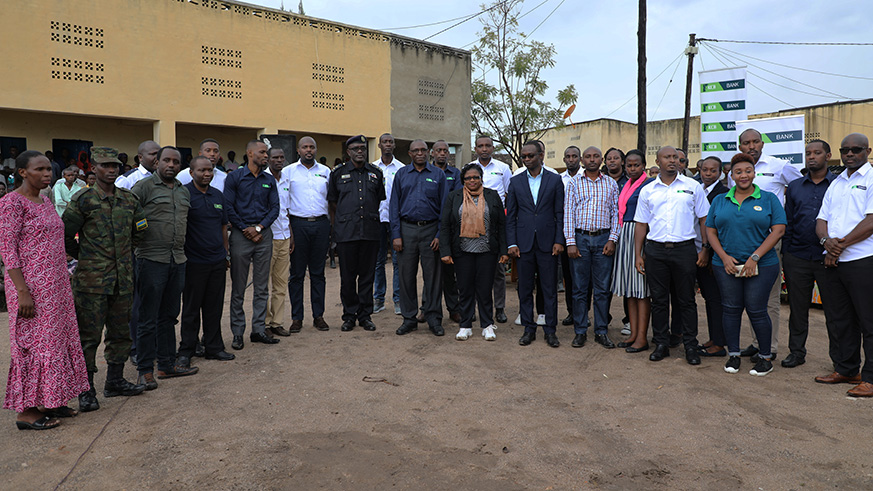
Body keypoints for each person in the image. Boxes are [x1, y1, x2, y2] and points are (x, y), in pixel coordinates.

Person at [2, 150, 89, 429]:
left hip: (56, 286)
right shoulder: (11, 203)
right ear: (23, 172)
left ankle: (52, 399)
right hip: (30, 287)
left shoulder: (45, 200)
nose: (47, 174)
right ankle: (26, 412)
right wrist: (22, 291)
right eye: (39, 169)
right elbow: (8, 250)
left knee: (55, 342)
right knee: (32, 345)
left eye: (48, 169)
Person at [63, 146, 148, 412]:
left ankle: (115, 381)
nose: (111, 170)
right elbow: (65, 235)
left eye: (115, 166)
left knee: (121, 333)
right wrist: (87, 256)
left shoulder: (129, 199)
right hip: (91, 281)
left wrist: (123, 254)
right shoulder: (83, 199)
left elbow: (141, 230)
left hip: (123, 278)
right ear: (94, 169)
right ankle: (85, 390)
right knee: (88, 337)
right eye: (105, 166)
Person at [707, 152, 787, 376]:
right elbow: (710, 231)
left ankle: (765, 358)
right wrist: (723, 257)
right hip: (726, 264)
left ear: (754, 173)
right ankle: (733, 355)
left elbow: (779, 230)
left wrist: (755, 257)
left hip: (763, 264)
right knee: (731, 309)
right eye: (738, 172)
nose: (744, 175)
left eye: (748, 171)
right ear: (731, 175)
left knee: (757, 309)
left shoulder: (768, 198)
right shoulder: (720, 200)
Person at [634, 146, 710, 365]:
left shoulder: (693, 187)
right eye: (667, 157)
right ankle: (661, 344)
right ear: (657, 161)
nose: (672, 161)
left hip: (684, 250)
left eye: (675, 157)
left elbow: (704, 219)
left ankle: (690, 346)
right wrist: (638, 254)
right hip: (655, 250)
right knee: (658, 300)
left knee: (686, 300)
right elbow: (641, 223)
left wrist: (704, 248)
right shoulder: (648, 190)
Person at [731, 128, 803, 360]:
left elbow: (800, 190)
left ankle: (769, 347)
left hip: (770, 242)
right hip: (742, 242)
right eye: (746, 143)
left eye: (755, 142)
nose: (751, 146)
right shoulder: (737, 170)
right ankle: (756, 341)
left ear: (762, 143)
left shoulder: (779, 166)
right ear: (740, 146)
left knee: (769, 297)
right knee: (752, 297)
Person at [131, 146, 198, 390]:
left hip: (177, 260)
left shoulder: (183, 191)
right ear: (157, 162)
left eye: (176, 161)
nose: (171, 165)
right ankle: (145, 370)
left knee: (169, 316)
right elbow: (130, 218)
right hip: (151, 260)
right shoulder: (144, 187)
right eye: (166, 160)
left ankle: (167, 365)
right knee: (148, 317)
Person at [814, 133, 873, 397]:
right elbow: (821, 219)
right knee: (840, 320)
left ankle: (871, 378)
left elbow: (871, 220)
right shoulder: (836, 182)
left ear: (867, 151)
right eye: (845, 150)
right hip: (834, 260)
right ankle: (847, 369)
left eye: (856, 149)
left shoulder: (871, 179)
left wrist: (840, 245)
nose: (849, 154)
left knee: (869, 321)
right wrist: (827, 242)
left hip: (862, 260)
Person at [781, 140, 834, 368]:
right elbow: (789, 221)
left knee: (834, 311)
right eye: (808, 153)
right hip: (798, 256)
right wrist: (788, 253)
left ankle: (840, 360)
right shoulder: (794, 186)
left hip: (829, 257)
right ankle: (796, 352)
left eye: (817, 153)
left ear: (828, 156)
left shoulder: (838, 184)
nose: (812, 157)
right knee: (798, 309)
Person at [440, 163, 508, 341]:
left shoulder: (492, 196)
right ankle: (465, 325)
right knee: (465, 288)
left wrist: (503, 250)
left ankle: (487, 325)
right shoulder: (454, 197)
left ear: (481, 179)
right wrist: (445, 251)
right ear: (463, 180)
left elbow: (501, 225)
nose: (472, 180)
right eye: (468, 178)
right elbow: (446, 226)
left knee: (485, 289)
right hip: (462, 251)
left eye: (475, 177)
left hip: (487, 250)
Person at [507, 141, 564, 347]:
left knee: (549, 289)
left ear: (541, 155)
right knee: (524, 289)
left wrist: (559, 240)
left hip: (549, 244)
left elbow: (560, 213)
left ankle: (550, 331)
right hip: (523, 245)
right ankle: (528, 329)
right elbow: (511, 216)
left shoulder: (555, 180)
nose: (527, 159)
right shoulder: (515, 182)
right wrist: (511, 243)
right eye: (524, 156)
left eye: (531, 155)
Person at [224, 140, 280, 349]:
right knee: (238, 288)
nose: (266, 156)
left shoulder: (269, 179)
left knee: (261, 286)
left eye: (267, 153)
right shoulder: (234, 178)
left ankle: (258, 330)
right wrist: (246, 229)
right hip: (240, 235)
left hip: (263, 235)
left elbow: (275, 208)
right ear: (249, 153)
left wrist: (258, 228)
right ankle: (238, 333)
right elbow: (228, 207)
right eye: (263, 152)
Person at [179, 156, 235, 362]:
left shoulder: (218, 195)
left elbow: (223, 227)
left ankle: (214, 347)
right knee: (191, 309)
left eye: (210, 170)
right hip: (193, 262)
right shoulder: (183, 194)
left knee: (214, 307)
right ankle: (187, 350)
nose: (207, 174)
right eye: (202, 170)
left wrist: (225, 253)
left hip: (216, 261)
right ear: (191, 172)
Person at [565, 146, 620, 349]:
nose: (592, 159)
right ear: (582, 160)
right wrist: (570, 242)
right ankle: (580, 331)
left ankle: (601, 331)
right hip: (580, 239)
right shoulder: (573, 184)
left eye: (596, 156)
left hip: (603, 239)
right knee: (579, 289)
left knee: (602, 289)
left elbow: (616, 214)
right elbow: (568, 213)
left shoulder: (611, 184)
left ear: (601, 159)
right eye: (588, 156)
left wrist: (612, 239)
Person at [391, 140, 448, 337]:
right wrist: (396, 235)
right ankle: (409, 318)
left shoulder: (438, 175)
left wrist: (440, 234)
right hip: (406, 230)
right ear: (410, 153)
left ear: (429, 152)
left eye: (424, 150)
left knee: (433, 277)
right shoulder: (401, 174)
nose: (420, 153)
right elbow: (394, 207)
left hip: (430, 230)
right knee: (406, 276)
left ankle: (433, 317)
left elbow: (445, 208)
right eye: (416, 150)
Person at [328, 135, 385, 331]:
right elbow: (333, 203)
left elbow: (377, 200)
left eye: (362, 148)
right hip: (347, 233)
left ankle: (365, 315)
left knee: (368, 276)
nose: (360, 151)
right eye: (355, 148)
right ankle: (349, 315)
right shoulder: (338, 173)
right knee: (348, 277)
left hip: (370, 232)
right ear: (348, 152)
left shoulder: (376, 173)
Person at [116, 140, 160, 366]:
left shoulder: (164, 180)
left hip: (158, 248)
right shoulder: (127, 180)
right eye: (153, 154)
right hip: (136, 248)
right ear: (140, 157)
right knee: (137, 300)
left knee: (156, 297)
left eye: (158, 154)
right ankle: (135, 346)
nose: (157, 158)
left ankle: (155, 343)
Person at [284, 137, 332, 333]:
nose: (309, 150)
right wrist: (290, 232)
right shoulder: (289, 172)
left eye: (312, 147)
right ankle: (297, 318)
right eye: (305, 147)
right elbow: (284, 200)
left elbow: (331, 199)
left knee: (318, 273)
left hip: (321, 225)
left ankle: (318, 316)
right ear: (298, 150)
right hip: (298, 225)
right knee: (296, 274)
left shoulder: (326, 171)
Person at [610, 149, 654, 353]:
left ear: (644, 165)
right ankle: (634, 333)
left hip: (639, 235)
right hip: (624, 236)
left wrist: (642, 250)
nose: (632, 168)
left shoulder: (649, 185)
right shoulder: (625, 184)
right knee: (630, 289)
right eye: (629, 165)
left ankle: (642, 337)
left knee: (641, 291)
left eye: (636, 165)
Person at [471, 136, 512, 323]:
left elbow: (508, 195)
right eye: (480, 146)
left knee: (498, 271)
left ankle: (500, 309)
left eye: (488, 145)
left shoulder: (503, 169)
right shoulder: (470, 168)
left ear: (493, 148)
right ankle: (471, 310)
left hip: (495, 226)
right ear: (476, 148)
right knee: (473, 271)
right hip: (472, 225)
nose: (484, 149)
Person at [695, 156, 730, 357]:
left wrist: (709, 251)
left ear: (720, 173)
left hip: (713, 253)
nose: (708, 174)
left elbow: (718, 225)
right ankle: (714, 338)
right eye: (705, 170)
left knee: (716, 298)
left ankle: (719, 343)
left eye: (713, 170)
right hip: (697, 250)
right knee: (709, 298)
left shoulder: (723, 194)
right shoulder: (697, 189)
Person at [373, 133, 404, 315]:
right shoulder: (372, 168)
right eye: (384, 142)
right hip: (377, 221)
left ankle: (398, 300)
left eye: (390, 142)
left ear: (394, 145)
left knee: (398, 262)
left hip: (396, 221)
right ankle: (378, 299)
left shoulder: (401, 169)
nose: (387, 144)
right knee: (378, 262)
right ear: (379, 145)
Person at [264, 146, 293, 337]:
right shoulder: (262, 180)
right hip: (268, 238)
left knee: (281, 284)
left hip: (284, 237)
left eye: (282, 157)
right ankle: (264, 324)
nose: (279, 160)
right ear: (268, 159)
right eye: (275, 157)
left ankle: (277, 322)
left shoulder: (286, 180)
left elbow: (287, 211)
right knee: (263, 285)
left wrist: (291, 236)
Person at [432, 140, 462, 323]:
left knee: (450, 273)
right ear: (432, 153)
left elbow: (456, 198)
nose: (442, 153)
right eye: (439, 150)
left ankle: (454, 309)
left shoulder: (455, 174)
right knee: (431, 273)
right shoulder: (426, 172)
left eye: (445, 150)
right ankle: (428, 308)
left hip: (450, 228)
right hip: (430, 228)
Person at [559, 146, 582, 326]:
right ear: (564, 159)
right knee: (569, 275)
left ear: (579, 159)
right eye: (568, 156)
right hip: (567, 235)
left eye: (575, 156)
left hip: (585, 233)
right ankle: (571, 312)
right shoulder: (559, 180)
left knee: (584, 279)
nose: (571, 159)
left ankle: (583, 313)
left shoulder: (586, 177)